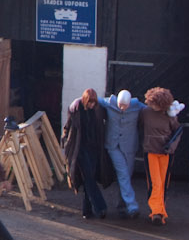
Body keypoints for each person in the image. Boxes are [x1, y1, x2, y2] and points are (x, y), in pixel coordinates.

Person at [62, 88, 113, 219]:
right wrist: (65, 139)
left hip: (94, 149)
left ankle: (87, 210)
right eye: (90, 102)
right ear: (85, 101)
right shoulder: (76, 109)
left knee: (89, 180)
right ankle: (100, 207)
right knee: (88, 177)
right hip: (79, 149)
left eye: (93, 103)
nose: (91, 105)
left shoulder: (98, 110)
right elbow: (69, 125)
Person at [139, 87, 182, 225]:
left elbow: (177, 131)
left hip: (165, 153)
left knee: (163, 183)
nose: (152, 106)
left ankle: (160, 211)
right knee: (155, 182)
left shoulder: (170, 115)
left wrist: (171, 147)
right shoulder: (145, 112)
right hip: (150, 151)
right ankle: (156, 211)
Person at [99, 90, 142, 219]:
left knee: (126, 175)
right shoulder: (109, 103)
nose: (122, 108)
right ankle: (132, 206)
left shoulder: (137, 106)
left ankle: (121, 206)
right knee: (123, 173)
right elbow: (93, 98)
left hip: (129, 146)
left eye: (125, 106)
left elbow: (152, 110)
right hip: (113, 145)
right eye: (120, 105)